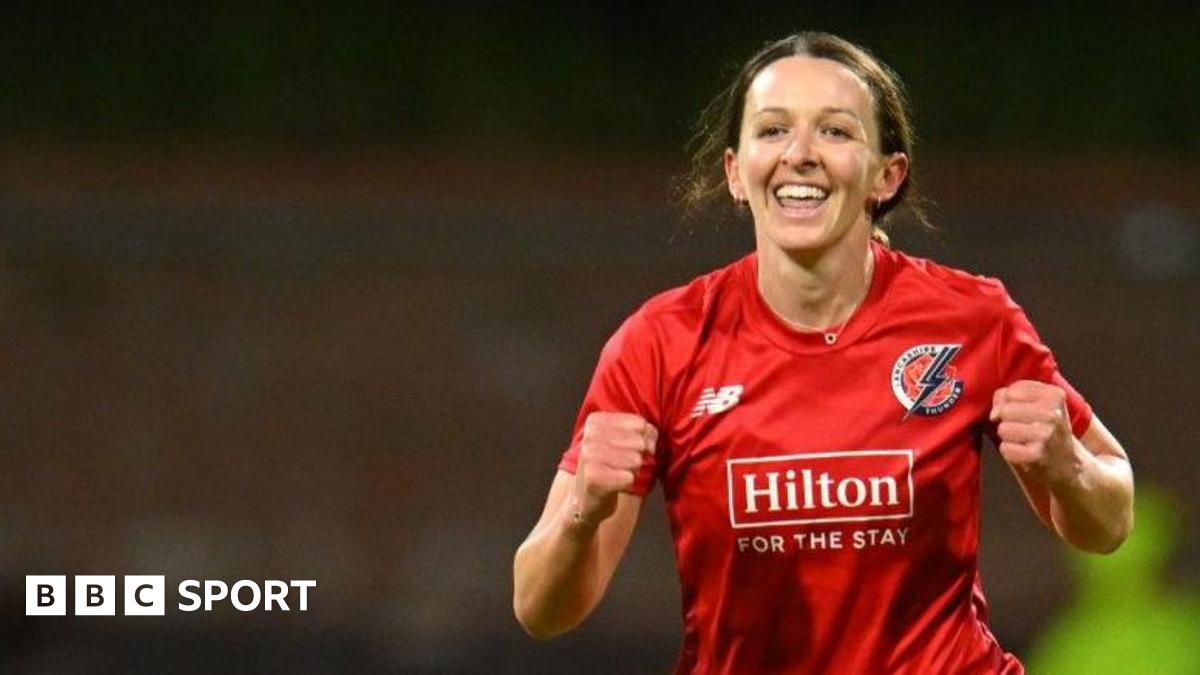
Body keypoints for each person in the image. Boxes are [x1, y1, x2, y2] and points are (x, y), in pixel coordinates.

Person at [512, 31, 1134, 674]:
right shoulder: (662, 342)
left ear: (885, 175)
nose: (800, 155)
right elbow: (538, 607)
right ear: (735, 171)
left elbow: (1111, 520)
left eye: (835, 132)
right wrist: (583, 512)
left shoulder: (972, 319)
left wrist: (1066, 464)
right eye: (773, 130)